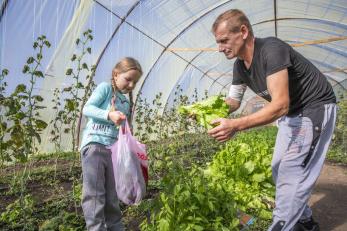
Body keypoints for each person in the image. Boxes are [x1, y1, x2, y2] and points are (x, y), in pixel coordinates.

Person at [208, 9, 336, 231]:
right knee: (278, 168)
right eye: (218, 42)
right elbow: (233, 102)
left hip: (314, 108)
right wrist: (204, 110)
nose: (220, 48)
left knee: (290, 171)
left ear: (243, 31)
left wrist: (236, 125)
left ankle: (281, 226)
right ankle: (305, 222)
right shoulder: (239, 65)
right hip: (291, 115)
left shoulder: (271, 50)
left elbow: (280, 104)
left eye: (224, 41)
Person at [79, 57, 142, 231]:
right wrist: (109, 114)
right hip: (95, 146)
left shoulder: (126, 102)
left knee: (112, 195)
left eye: (135, 82)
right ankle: (96, 228)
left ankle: (116, 227)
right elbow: (87, 109)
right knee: (94, 194)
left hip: (114, 150)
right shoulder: (105, 89)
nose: (130, 85)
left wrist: (131, 141)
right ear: (115, 74)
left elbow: (124, 128)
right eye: (128, 79)